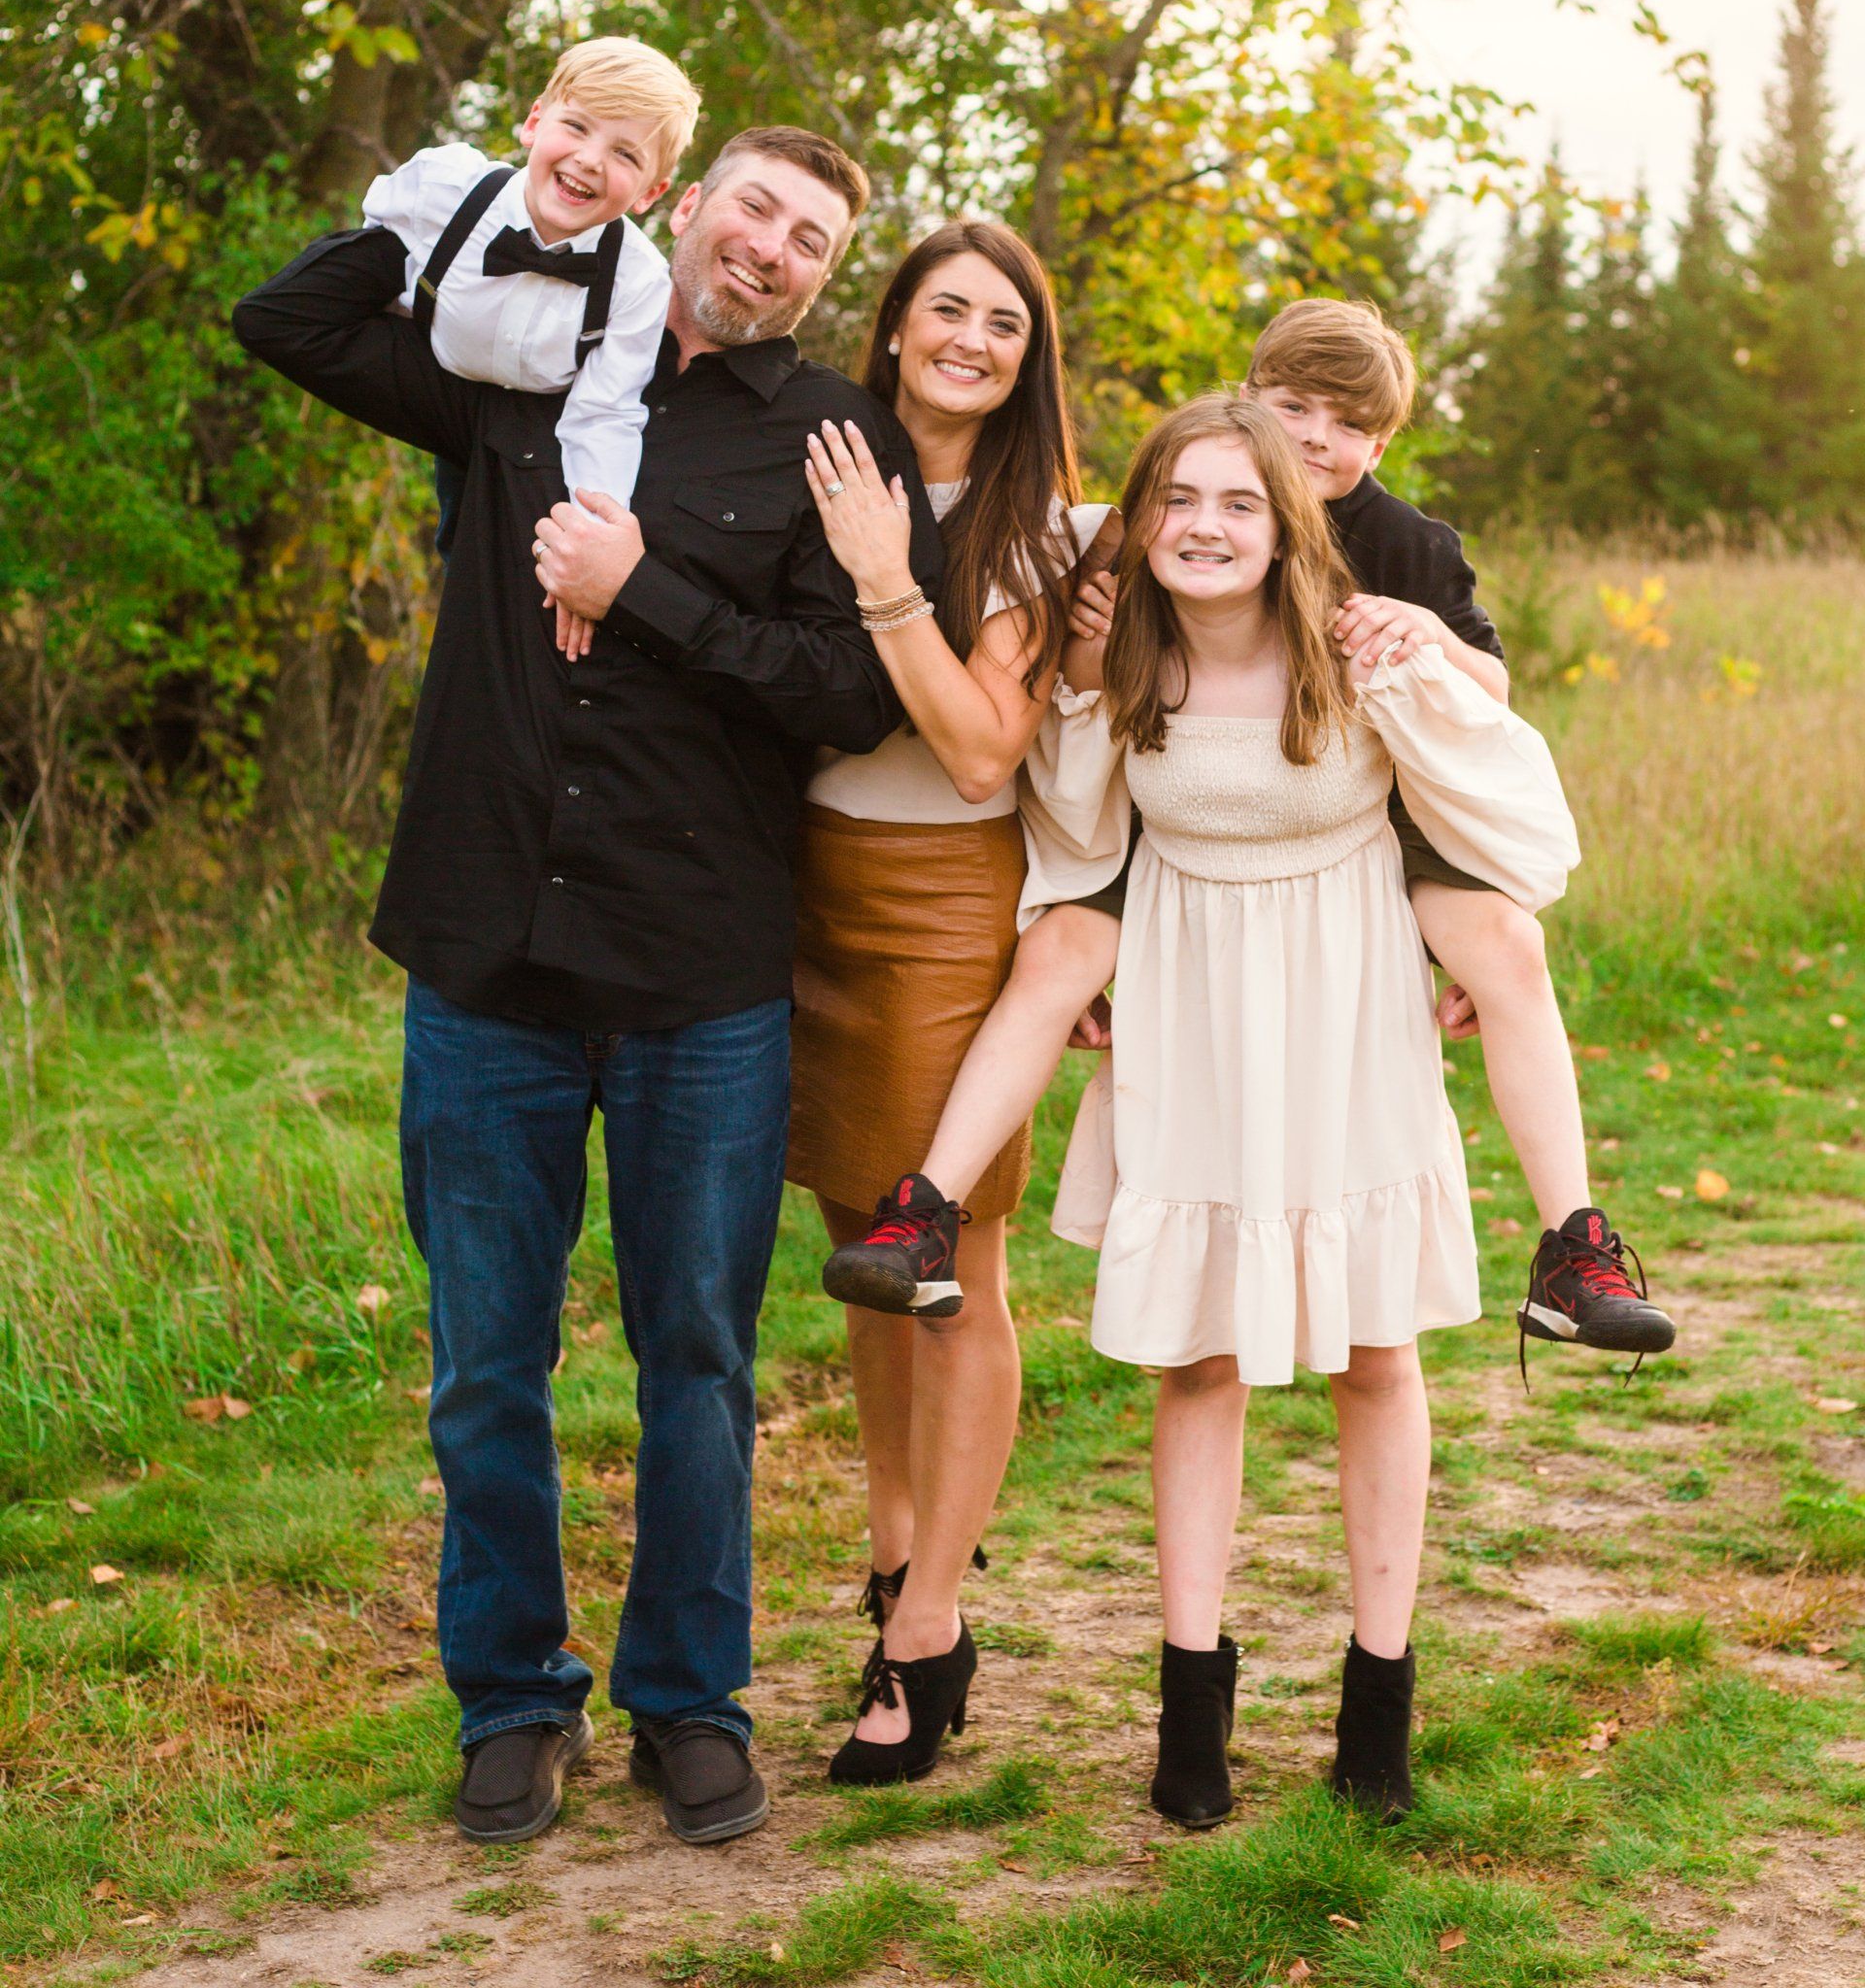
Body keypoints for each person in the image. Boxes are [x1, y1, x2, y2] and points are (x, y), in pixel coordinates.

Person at [232, 127, 941, 1853]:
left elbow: (851, 697)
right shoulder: (526, 361)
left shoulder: (838, 441)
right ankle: (512, 1699)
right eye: (752, 207)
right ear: (686, 208)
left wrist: (646, 599)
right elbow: (292, 324)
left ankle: (689, 1705)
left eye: (810, 237)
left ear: (825, 274)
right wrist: (514, 190)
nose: (770, 247)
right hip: (487, 957)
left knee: (694, 1355)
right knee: (486, 1359)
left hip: (702, 976)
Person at [829, 300, 1675, 1372]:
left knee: (1507, 947)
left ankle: (1573, 1243)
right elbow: (1085, 701)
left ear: (1381, 444)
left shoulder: (1406, 543)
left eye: (1348, 423)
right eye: (1294, 408)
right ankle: (928, 1208)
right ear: (1249, 405)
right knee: (1056, 961)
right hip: (1167, 809)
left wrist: (1424, 635)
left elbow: (1492, 696)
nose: (1317, 437)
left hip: (1379, 814)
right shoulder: (1158, 529)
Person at [1031, 392, 1577, 1825]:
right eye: (1180, 502)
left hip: (1345, 1007)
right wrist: (1073, 938)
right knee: (1196, 1360)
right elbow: (1069, 823)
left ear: (1288, 527)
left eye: (1241, 505)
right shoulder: (1122, 654)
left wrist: (1480, 933)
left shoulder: (1364, 648)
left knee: (1376, 1353)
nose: (1206, 529)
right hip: (1194, 1007)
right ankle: (1191, 1703)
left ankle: (1378, 1696)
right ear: (1142, 518)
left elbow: (1510, 801)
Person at [787, 223, 1096, 1787]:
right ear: (895, 324)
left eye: (1005, 323)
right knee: (860, 1248)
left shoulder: (1035, 531)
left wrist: (888, 585)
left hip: (941, 899)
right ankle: (894, 1546)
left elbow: (984, 752)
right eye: (946, 310)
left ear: (1029, 357)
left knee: (950, 1256)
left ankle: (930, 1627)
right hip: (806, 887)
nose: (972, 339)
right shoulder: (816, 454)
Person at [362, 36, 698, 644]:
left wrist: (591, 544)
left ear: (651, 193)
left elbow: (604, 415)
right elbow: (374, 233)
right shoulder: (446, 185)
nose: (591, 160)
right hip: (437, 379)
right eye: (576, 127)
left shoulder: (639, 282)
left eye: (625, 153)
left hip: (539, 422)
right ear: (534, 122)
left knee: (509, 577)